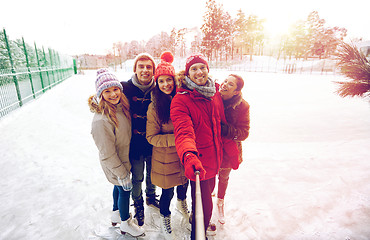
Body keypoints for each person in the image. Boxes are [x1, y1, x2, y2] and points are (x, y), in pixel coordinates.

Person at [170, 53, 240, 240]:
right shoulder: (181, 100)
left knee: (206, 196)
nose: (199, 72)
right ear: (188, 73)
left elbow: (222, 121)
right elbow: (183, 132)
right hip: (198, 163)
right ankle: (198, 234)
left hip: (215, 159)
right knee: (204, 205)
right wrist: (189, 156)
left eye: (202, 67)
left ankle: (198, 221)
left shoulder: (214, 92)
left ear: (208, 69)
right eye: (194, 68)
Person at [89, 70, 144, 237]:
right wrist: (122, 173)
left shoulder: (120, 107)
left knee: (119, 189)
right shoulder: (101, 120)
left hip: (123, 159)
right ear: (100, 94)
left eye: (115, 89)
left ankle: (116, 213)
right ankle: (126, 222)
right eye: (107, 91)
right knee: (124, 191)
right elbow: (107, 153)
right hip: (116, 164)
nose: (113, 94)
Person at [146, 51, 190, 240]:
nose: (166, 84)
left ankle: (182, 205)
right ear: (157, 83)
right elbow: (152, 137)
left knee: (184, 185)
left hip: (183, 156)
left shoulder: (183, 99)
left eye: (169, 80)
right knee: (167, 193)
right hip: (165, 160)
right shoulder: (154, 106)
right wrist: (177, 138)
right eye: (161, 81)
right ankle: (166, 219)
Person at [121, 53, 159, 227]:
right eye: (141, 66)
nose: (145, 70)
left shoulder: (159, 88)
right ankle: (138, 203)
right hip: (134, 143)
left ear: (153, 70)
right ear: (135, 69)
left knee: (153, 174)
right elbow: (107, 96)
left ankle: (151, 196)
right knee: (137, 176)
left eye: (149, 67)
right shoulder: (124, 88)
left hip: (153, 141)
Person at [217, 74, 250, 224]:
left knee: (223, 177)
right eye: (225, 81)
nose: (224, 85)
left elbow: (244, 133)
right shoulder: (212, 97)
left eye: (230, 84)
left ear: (236, 91)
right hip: (211, 147)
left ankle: (220, 201)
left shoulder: (242, 106)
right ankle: (208, 198)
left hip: (228, 151)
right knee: (209, 176)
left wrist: (225, 130)